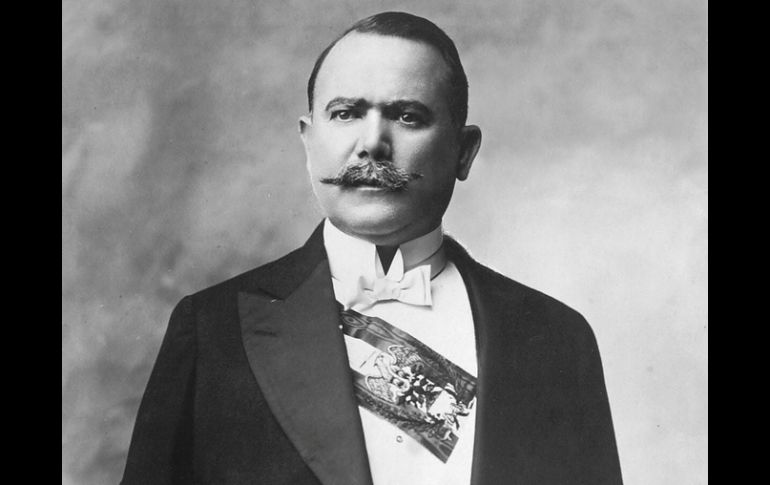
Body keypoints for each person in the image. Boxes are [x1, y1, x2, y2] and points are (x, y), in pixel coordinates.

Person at [122, 11, 623, 485]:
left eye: (407, 116)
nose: (371, 143)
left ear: (463, 151)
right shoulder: (211, 329)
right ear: (309, 140)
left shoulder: (554, 338)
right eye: (345, 113)